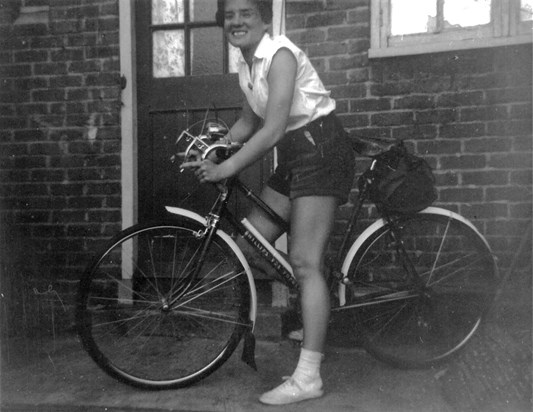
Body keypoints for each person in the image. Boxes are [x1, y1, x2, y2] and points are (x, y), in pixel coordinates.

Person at [182, 0, 355, 405]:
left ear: (264, 19)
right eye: (229, 15)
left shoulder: (279, 55)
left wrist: (227, 169)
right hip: (298, 155)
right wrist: (215, 148)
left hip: (321, 150)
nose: (236, 21)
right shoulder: (248, 64)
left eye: (246, 13)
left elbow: (274, 128)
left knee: (304, 262)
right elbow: (248, 122)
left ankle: (309, 376)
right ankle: (317, 301)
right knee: (253, 245)